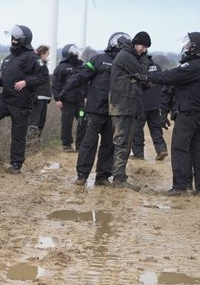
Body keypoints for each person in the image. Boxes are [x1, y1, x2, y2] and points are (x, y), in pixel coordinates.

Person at [136, 32, 200, 195]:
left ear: (196, 47)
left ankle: (180, 187)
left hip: (188, 114)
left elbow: (170, 76)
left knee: (180, 149)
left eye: (189, 45)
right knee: (198, 150)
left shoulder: (193, 66)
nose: (186, 47)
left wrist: (145, 77)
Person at [0, 24, 48, 174]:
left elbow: (42, 76)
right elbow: (8, 77)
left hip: (21, 103)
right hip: (6, 100)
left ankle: (16, 164)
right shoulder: (9, 58)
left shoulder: (32, 58)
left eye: (17, 38)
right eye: (12, 38)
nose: (13, 41)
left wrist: (27, 82)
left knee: (18, 135)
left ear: (24, 39)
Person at [65, 32, 129, 187]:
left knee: (109, 145)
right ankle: (82, 176)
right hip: (95, 109)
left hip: (114, 111)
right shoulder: (99, 59)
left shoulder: (127, 62)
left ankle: (102, 177)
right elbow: (81, 75)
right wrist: (65, 89)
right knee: (88, 143)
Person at [108, 31, 151, 190]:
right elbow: (143, 72)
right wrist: (145, 59)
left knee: (125, 142)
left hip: (127, 105)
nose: (144, 50)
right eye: (143, 46)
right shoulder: (126, 56)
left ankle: (120, 176)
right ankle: (118, 178)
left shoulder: (129, 55)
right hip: (122, 105)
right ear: (136, 43)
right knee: (122, 142)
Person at [131, 54, 168, 160]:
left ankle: (138, 154)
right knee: (156, 128)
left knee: (137, 130)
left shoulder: (139, 68)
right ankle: (161, 149)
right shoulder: (157, 67)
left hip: (141, 104)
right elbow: (162, 83)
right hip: (155, 104)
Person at [52, 43, 86, 152]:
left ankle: (80, 144)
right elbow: (56, 85)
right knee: (67, 123)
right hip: (66, 102)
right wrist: (57, 99)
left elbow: (87, 83)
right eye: (73, 52)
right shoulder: (61, 67)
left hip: (80, 102)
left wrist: (87, 95)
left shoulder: (82, 66)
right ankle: (66, 144)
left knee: (83, 121)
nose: (75, 54)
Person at [27, 45, 51, 145]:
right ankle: (31, 142)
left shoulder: (43, 65)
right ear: (42, 53)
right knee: (34, 121)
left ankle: (36, 141)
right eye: (47, 54)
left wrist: (49, 95)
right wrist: (34, 95)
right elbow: (34, 80)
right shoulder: (36, 64)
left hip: (44, 97)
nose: (48, 56)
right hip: (37, 97)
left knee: (41, 121)